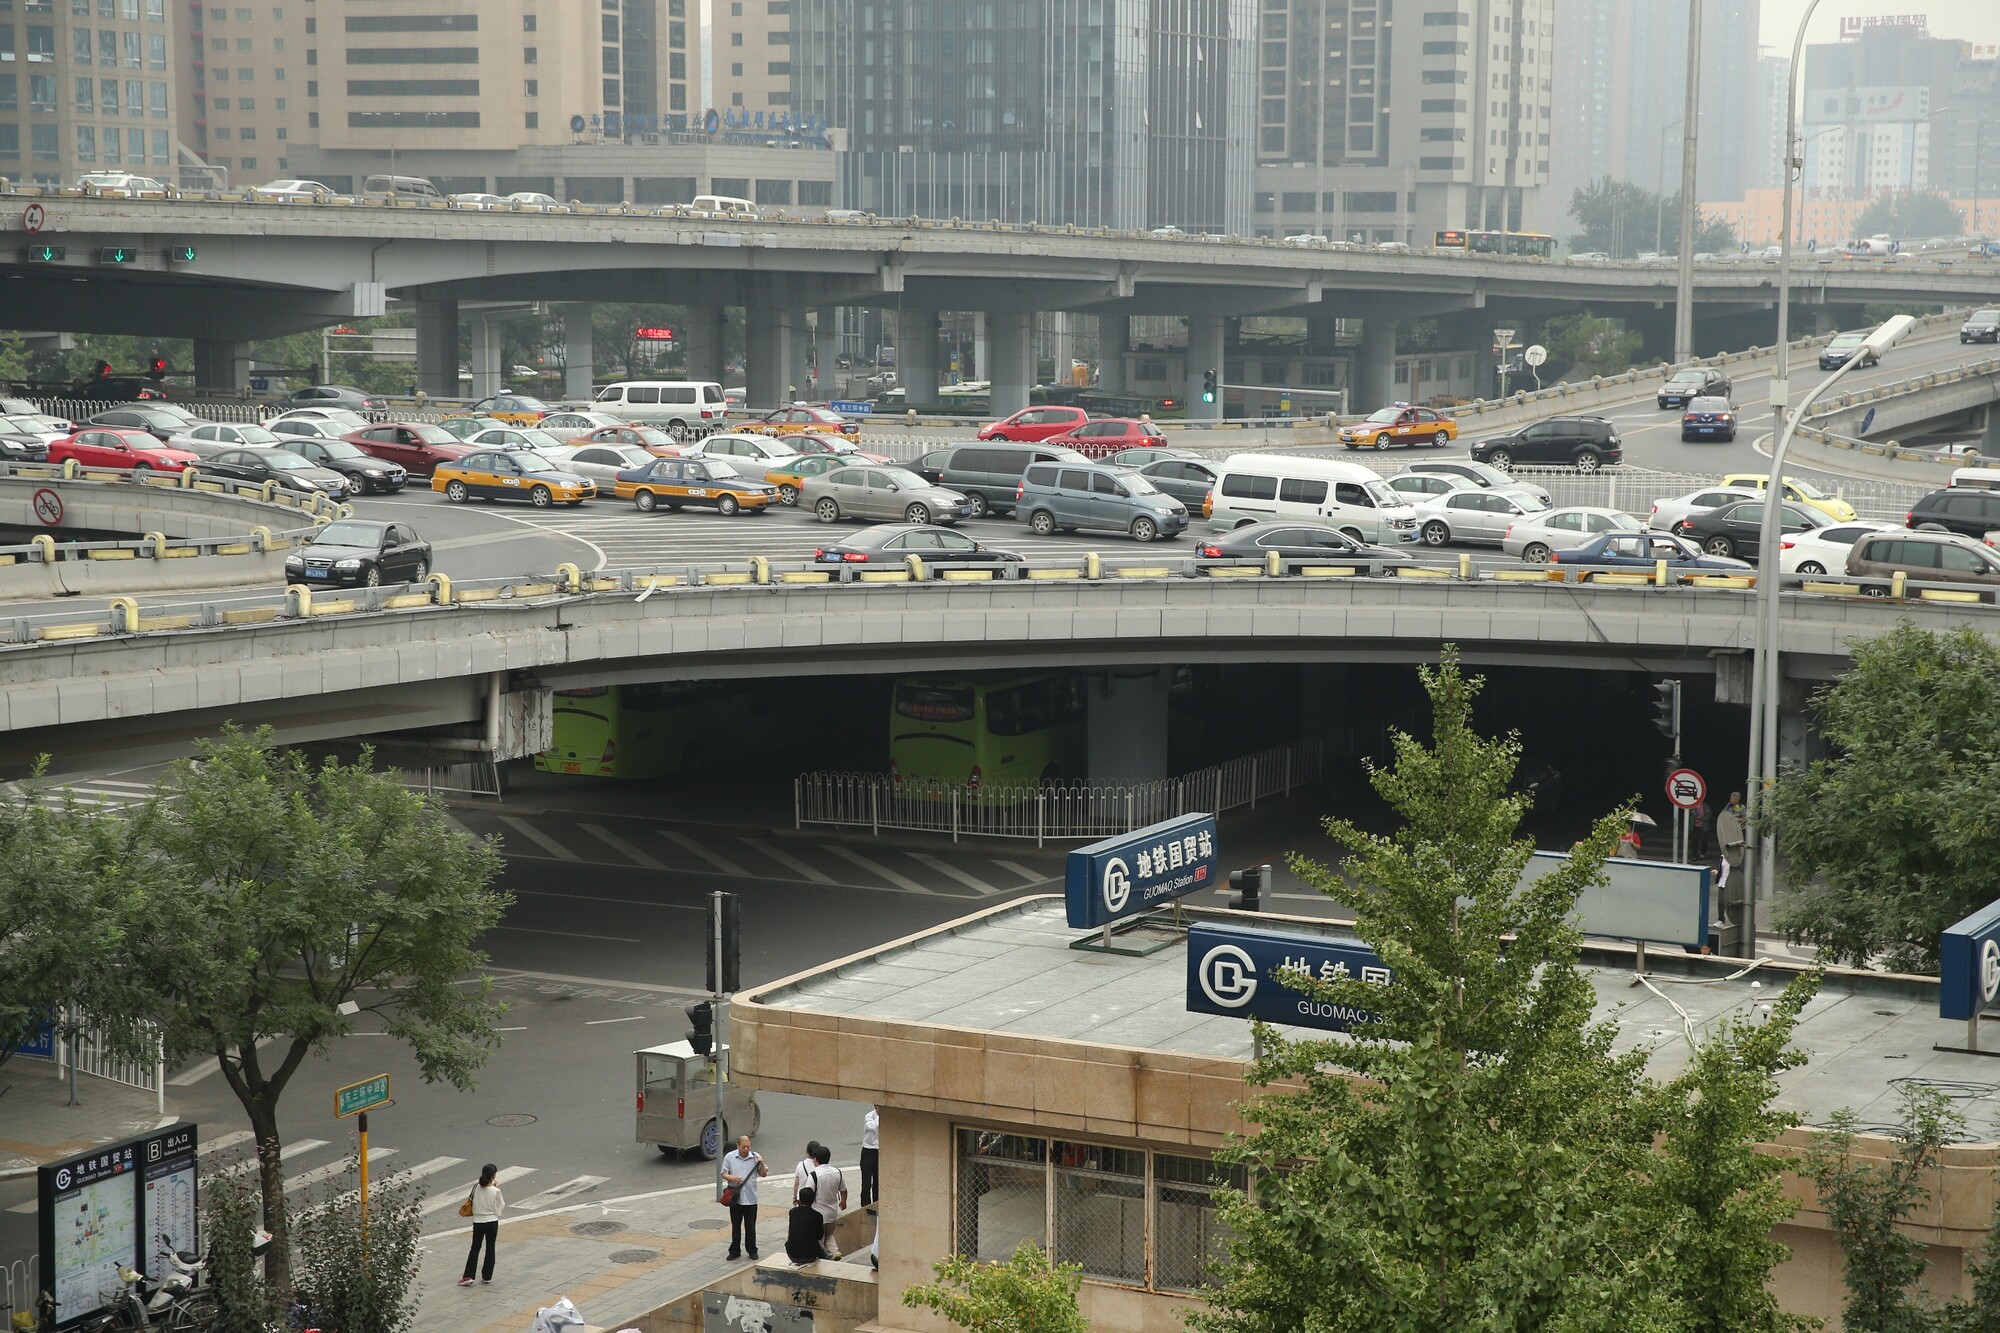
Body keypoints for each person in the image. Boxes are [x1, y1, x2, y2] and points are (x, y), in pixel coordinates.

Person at [720, 1133, 768, 1262]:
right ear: (738, 1146)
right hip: (735, 1199)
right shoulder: (730, 1157)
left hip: (751, 1198)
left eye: (748, 1147)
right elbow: (723, 1174)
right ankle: (735, 1250)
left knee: (750, 1226)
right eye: (743, 1147)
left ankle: (752, 1250)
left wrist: (762, 1163)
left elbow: (763, 1174)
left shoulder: (755, 1157)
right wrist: (732, 1178)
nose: (746, 1150)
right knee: (736, 1226)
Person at [458, 1164, 503, 1287]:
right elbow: (500, 1206)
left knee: (475, 1248)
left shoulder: (475, 1187)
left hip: (478, 1222)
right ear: (493, 1176)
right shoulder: (496, 1191)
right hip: (492, 1222)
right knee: (490, 1247)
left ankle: (468, 1276)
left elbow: (471, 1200)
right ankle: (487, 1276)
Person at [810, 1143, 847, 1258]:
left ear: (815, 1159)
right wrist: (843, 1201)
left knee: (819, 1239)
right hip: (832, 1211)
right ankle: (834, 1251)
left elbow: (808, 1193)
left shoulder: (814, 1175)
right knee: (829, 1234)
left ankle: (823, 1258)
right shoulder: (837, 1172)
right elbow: (844, 1190)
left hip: (818, 1212)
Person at [785, 1186, 826, 1266]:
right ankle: (823, 1255)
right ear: (813, 1200)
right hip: (808, 1256)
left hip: (791, 1254)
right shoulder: (817, 1215)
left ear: (800, 1199)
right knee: (815, 1243)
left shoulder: (793, 1212)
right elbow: (819, 1236)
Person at [1717, 792, 1747, 877]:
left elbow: (1745, 819)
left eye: (1732, 798)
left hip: (1737, 832)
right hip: (1727, 832)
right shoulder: (1728, 806)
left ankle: (1739, 869)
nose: (1730, 800)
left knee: (1737, 851)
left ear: (1737, 799)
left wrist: (1735, 819)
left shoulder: (1742, 808)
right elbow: (1723, 815)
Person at [859, 1106, 879, 1209]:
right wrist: (881, 1117)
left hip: (879, 1151)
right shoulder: (869, 1116)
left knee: (877, 1181)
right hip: (869, 1150)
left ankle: (877, 1203)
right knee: (866, 1181)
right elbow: (872, 1127)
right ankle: (865, 1205)